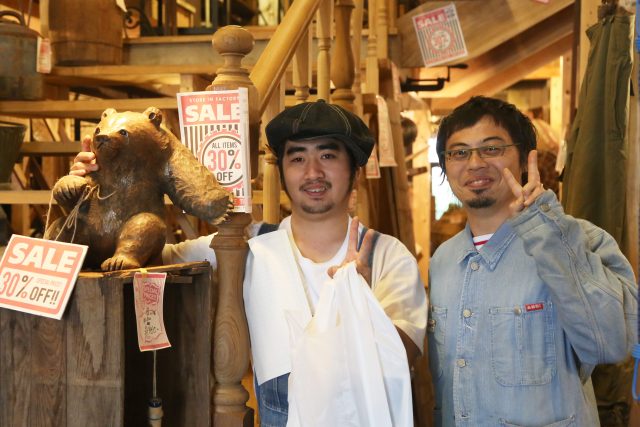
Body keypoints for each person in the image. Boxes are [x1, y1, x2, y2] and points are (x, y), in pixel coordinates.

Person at [71, 100, 428, 426]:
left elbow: (401, 358)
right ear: (283, 171)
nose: (312, 172)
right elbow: (137, 258)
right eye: (297, 158)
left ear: (355, 171)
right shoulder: (247, 246)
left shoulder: (386, 255)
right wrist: (98, 189)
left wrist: (356, 302)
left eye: (328, 156)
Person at [427, 96, 638, 426]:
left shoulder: (581, 239)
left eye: (492, 148)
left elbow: (612, 344)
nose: (475, 163)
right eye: (459, 152)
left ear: (526, 159)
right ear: (445, 165)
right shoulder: (442, 260)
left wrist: (545, 230)